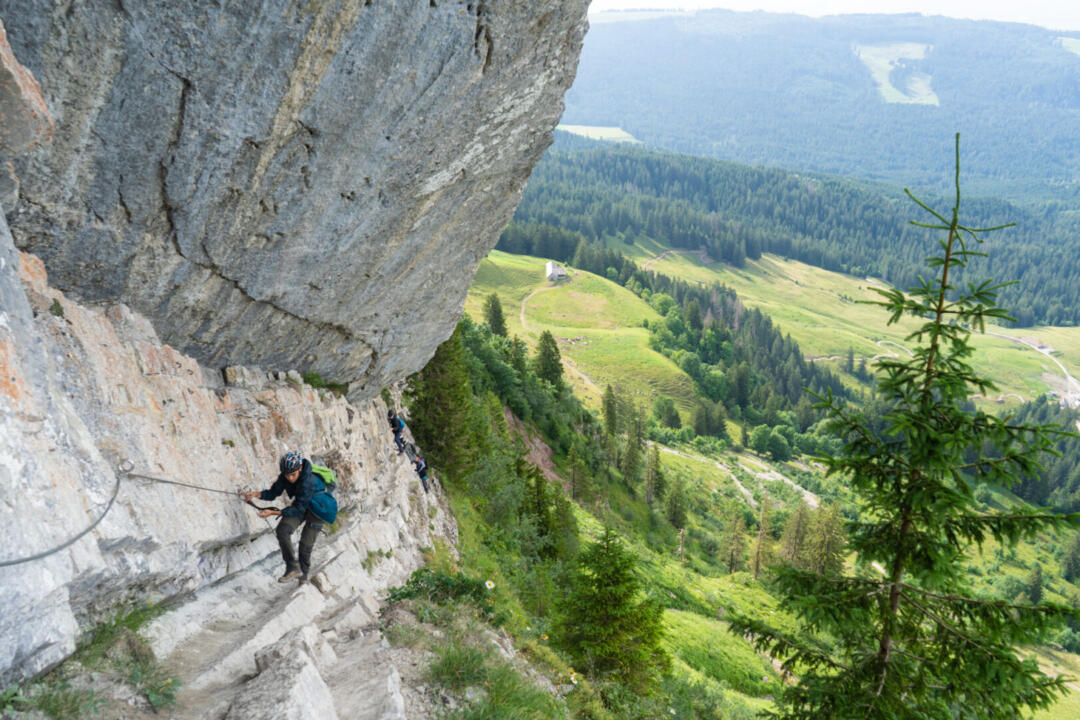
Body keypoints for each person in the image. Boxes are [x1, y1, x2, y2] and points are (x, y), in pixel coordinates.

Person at [242, 451, 326, 583]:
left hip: (318, 509)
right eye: (287, 475)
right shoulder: (285, 476)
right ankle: (292, 567)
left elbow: (299, 509)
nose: (290, 478)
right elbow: (273, 493)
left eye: (293, 475)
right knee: (282, 530)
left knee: (305, 546)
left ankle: (304, 577)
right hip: (301, 504)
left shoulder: (309, 481)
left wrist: (274, 512)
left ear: (300, 468)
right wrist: (255, 494)